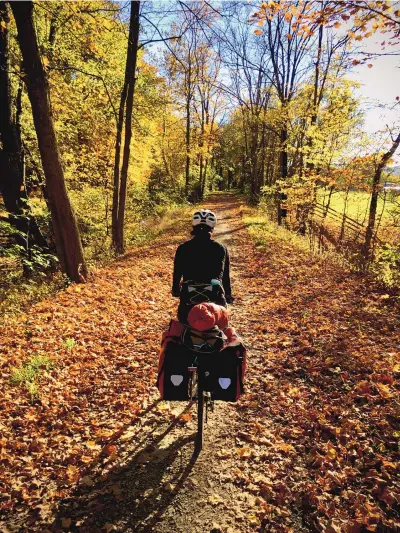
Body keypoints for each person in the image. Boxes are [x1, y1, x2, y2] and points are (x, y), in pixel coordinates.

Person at [172, 209, 234, 323]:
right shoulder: (220, 248)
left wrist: (175, 289)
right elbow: (225, 275)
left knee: (182, 326)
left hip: (188, 298)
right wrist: (228, 294)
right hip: (215, 298)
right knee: (223, 326)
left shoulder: (183, 248)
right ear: (212, 228)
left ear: (193, 226)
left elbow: (177, 272)